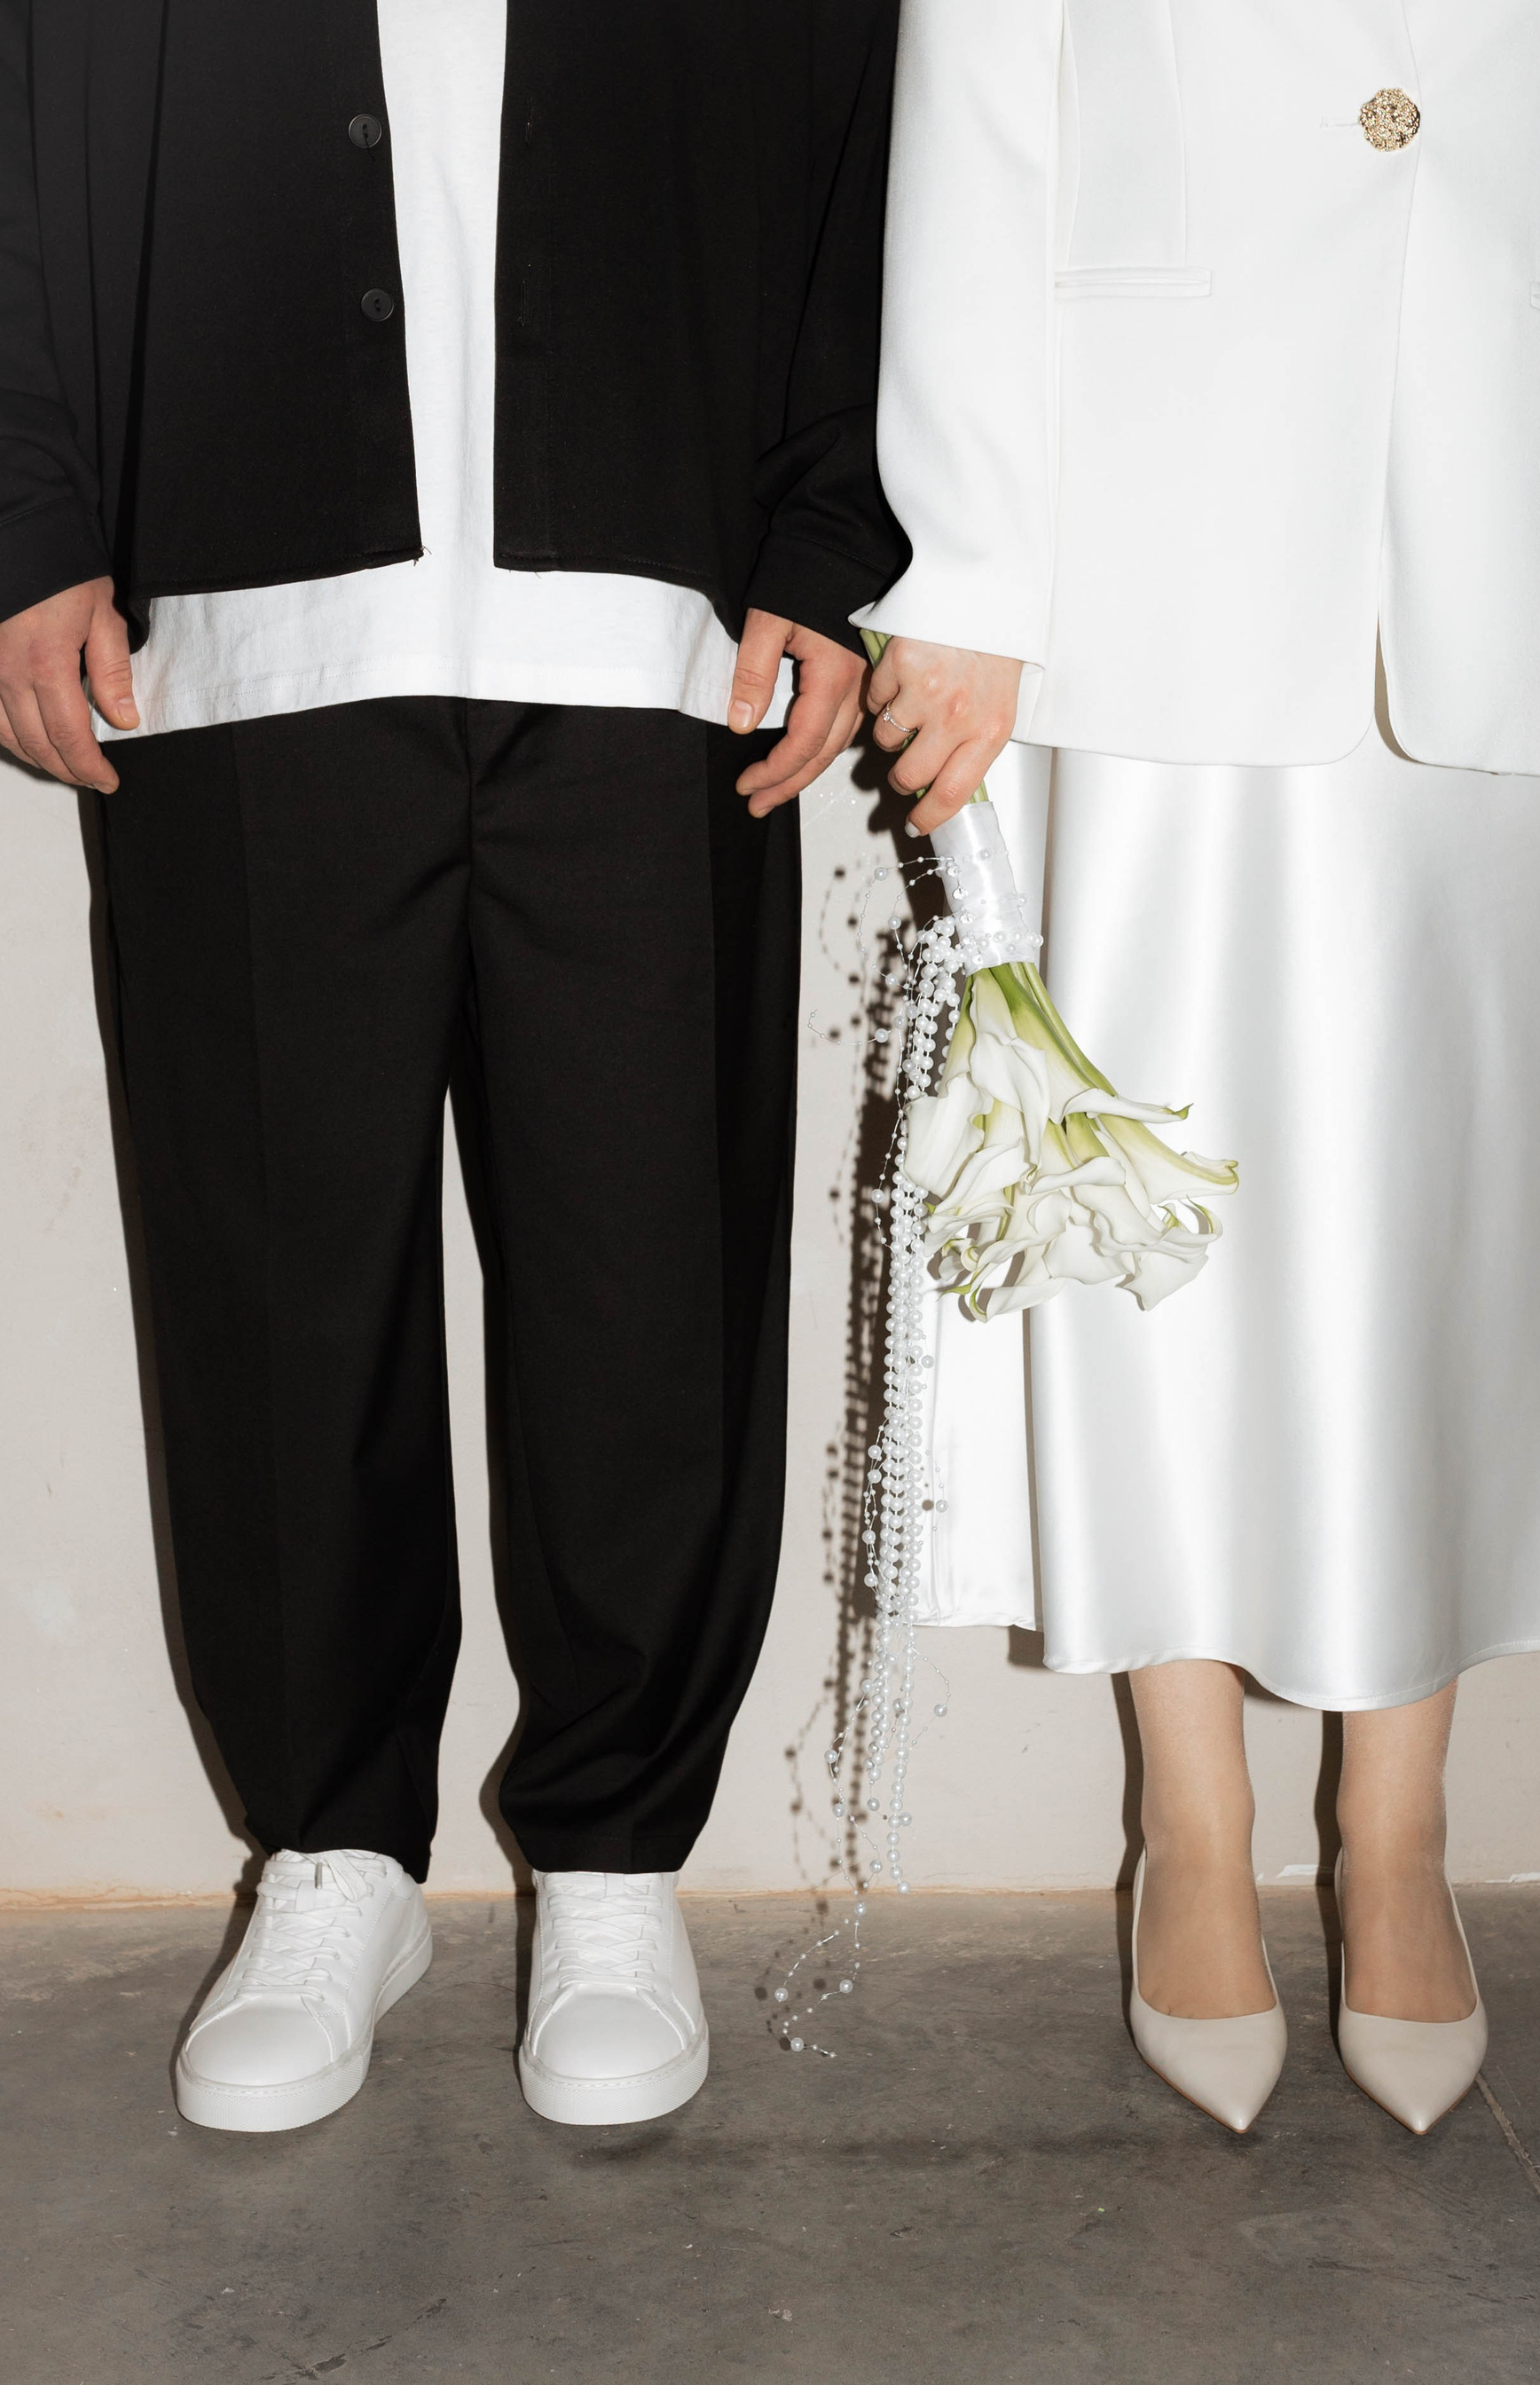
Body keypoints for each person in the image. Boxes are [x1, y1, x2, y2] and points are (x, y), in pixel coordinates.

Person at [0, 0, 900, 2132]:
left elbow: (868, 134)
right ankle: (334, 1854)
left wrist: (828, 532)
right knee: (279, 1288)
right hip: (242, 613)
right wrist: (29, 516)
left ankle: (612, 1857)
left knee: (649, 1276)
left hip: (658, 624)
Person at [854, 0, 1540, 2134]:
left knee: (1461, 1213)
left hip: (1527, 535)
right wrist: (965, 566)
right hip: (1146, 551)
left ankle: (1398, 1831)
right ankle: (1196, 1818)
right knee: (1152, 1221)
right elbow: (977, 124)